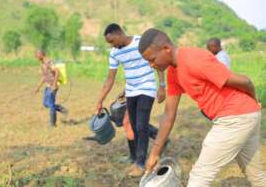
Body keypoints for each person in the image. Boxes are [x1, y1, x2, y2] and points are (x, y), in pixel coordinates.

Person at [138, 28, 266, 186]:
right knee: (255, 173)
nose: (151, 65)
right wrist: (154, 154)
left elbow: (244, 81)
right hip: (245, 115)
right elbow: (168, 115)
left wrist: (254, 100)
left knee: (200, 177)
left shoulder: (194, 59)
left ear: (166, 49)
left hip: (234, 118)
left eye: (152, 59)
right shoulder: (173, 72)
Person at [95, 23, 166, 177]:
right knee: (135, 125)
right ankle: (160, 138)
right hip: (131, 91)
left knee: (140, 126)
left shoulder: (141, 42)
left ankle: (140, 163)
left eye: (113, 41)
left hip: (147, 88)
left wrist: (161, 85)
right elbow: (110, 78)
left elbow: (157, 62)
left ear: (120, 34)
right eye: (109, 43)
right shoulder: (115, 53)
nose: (112, 45)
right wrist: (100, 100)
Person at [35, 50, 67, 127]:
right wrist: (38, 87)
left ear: (41, 54)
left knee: (51, 104)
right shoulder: (42, 64)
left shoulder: (49, 62)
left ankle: (53, 124)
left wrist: (54, 85)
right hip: (48, 86)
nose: (36, 57)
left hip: (53, 86)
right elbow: (44, 77)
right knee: (45, 104)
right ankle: (62, 109)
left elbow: (57, 72)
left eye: (37, 55)